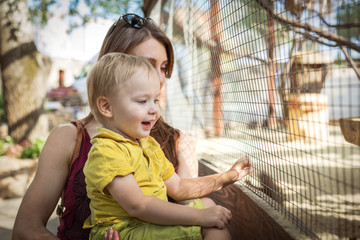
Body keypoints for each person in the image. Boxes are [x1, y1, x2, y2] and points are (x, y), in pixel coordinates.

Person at [13, 13, 198, 240]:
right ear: (112, 66)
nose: (160, 80)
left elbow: (197, 223)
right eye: (147, 65)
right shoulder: (69, 138)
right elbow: (25, 230)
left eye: (164, 67)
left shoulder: (180, 144)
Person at [84, 52, 252, 240]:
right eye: (142, 101)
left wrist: (227, 177)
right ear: (107, 107)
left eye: (155, 100)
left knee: (208, 205)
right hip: (125, 230)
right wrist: (199, 217)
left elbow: (178, 187)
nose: (155, 109)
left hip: (146, 223)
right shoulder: (106, 151)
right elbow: (138, 205)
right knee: (211, 227)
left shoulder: (148, 145)